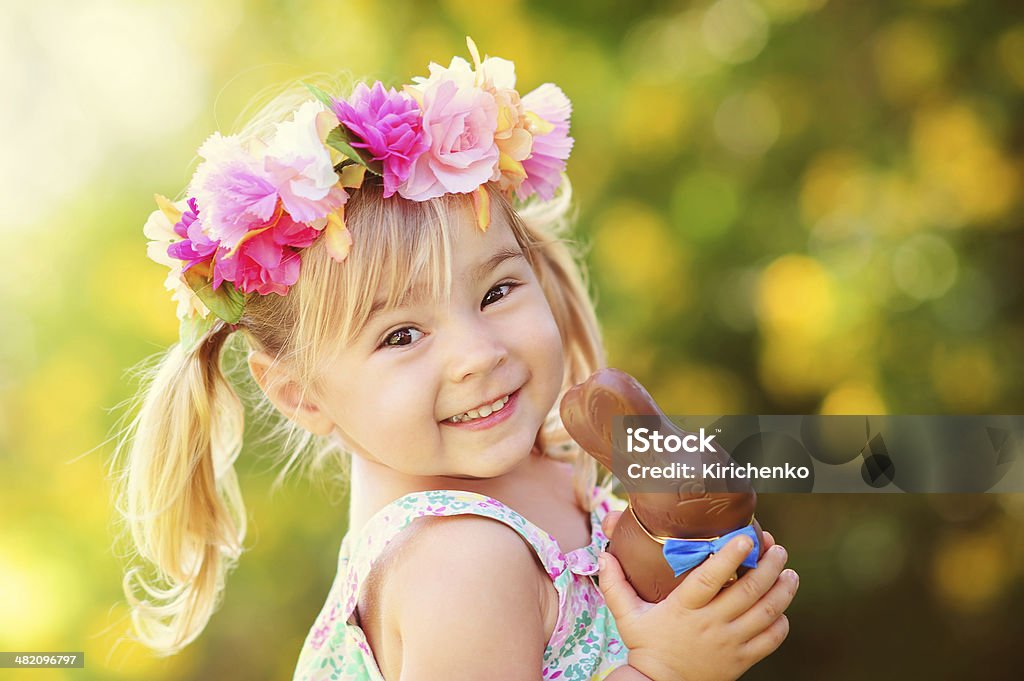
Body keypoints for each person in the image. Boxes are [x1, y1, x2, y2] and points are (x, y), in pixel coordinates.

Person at [115, 38, 799, 681]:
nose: (478, 354)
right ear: (301, 395)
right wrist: (663, 670)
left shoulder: (544, 468)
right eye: (402, 336)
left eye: (497, 290)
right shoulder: (460, 564)